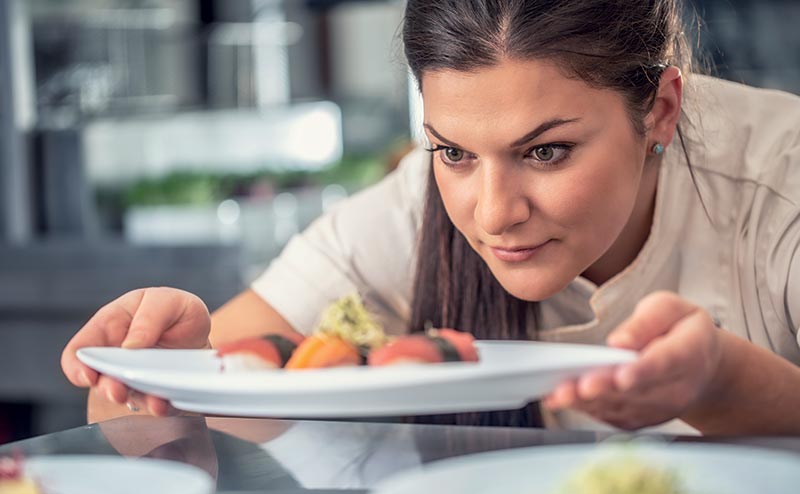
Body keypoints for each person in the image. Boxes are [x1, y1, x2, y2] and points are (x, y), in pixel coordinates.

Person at [61, 0, 800, 435]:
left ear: (661, 109)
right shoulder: (410, 210)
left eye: (546, 152)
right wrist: (174, 372)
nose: (491, 212)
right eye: (453, 151)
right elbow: (111, 416)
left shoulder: (780, 184)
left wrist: (720, 383)